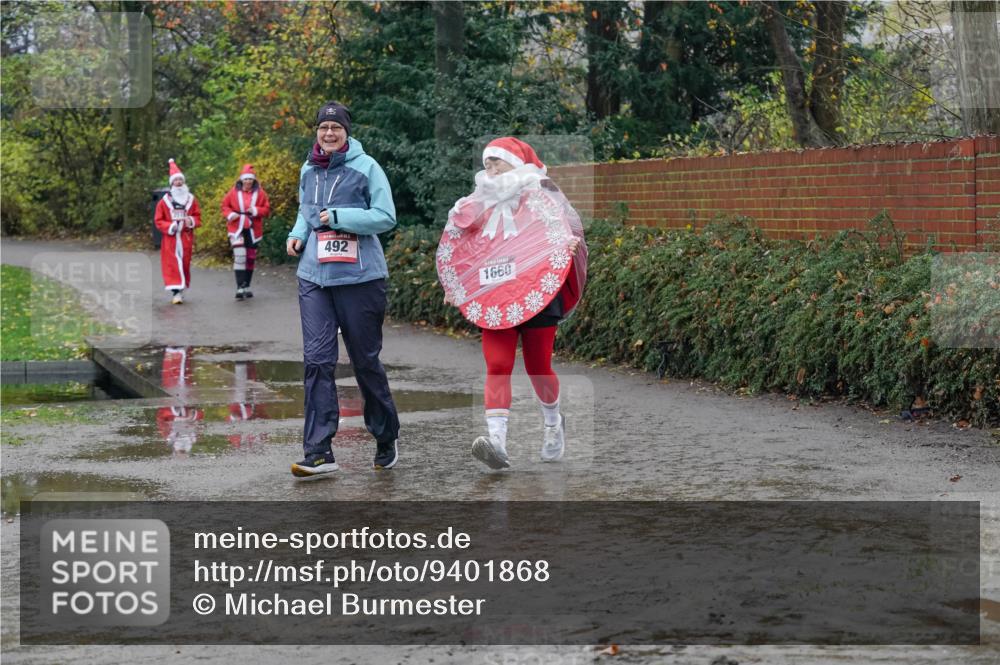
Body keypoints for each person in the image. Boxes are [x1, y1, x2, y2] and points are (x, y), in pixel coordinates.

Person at [438, 137, 587, 469]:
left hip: (538, 291)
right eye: (487, 163)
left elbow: (564, 232)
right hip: (494, 297)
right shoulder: (475, 205)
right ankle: (497, 443)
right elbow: (463, 250)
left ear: (516, 165)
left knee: (538, 367)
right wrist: (457, 283)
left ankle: (552, 423)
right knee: (498, 364)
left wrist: (568, 247)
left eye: (497, 162)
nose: (489, 169)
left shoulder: (544, 196)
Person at [285, 101, 401, 477]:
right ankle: (319, 451)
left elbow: (385, 217)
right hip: (314, 277)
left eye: (336, 128)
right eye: (323, 128)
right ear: (316, 132)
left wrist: (338, 218)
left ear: (347, 132)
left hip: (360, 279)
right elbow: (306, 212)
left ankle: (385, 435)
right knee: (317, 362)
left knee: (365, 361)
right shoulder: (308, 169)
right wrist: (297, 235)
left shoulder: (367, 168)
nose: (329, 134)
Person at [154, 159, 201, 304]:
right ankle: (176, 293)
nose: (179, 182)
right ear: (172, 183)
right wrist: (171, 226)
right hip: (171, 238)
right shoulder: (164, 202)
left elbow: (198, 217)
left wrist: (191, 221)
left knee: (184, 263)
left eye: (181, 179)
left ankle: (181, 288)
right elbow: (158, 220)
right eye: (176, 180)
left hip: (186, 237)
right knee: (172, 264)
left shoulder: (191, 199)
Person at [221, 164, 271, 299]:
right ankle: (239, 287)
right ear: (241, 180)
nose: (248, 182)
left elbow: (266, 209)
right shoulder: (233, 192)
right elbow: (224, 206)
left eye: (250, 179)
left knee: (250, 258)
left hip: (254, 229)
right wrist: (231, 214)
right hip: (236, 227)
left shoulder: (260, 193)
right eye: (245, 179)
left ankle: (246, 285)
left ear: (253, 180)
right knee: (240, 255)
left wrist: (255, 210)